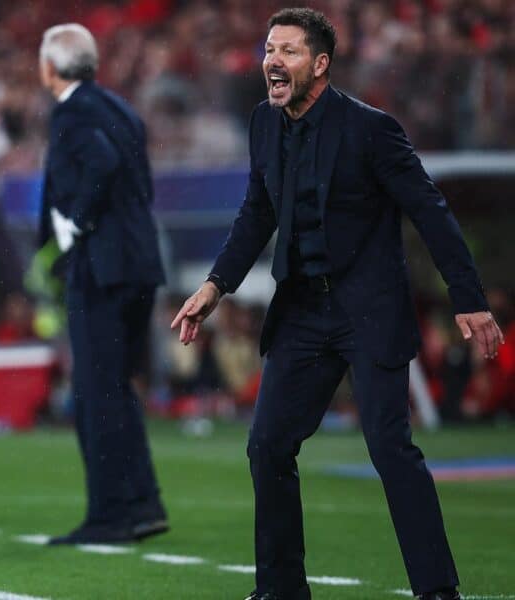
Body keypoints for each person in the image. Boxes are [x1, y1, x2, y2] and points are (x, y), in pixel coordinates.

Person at [171, 9, 504, 600]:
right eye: (270, 49)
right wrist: (215, 285)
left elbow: (430, 211)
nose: (273, 60)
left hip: (367, 309)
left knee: (390, 448)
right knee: (267, 445)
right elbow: (258, 213)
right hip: (300, 311)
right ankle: (280, 590)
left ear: (319, 65)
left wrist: (469, 299)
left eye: (290, 51)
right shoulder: (262, 124)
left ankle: (438, 591)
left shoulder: (370, 130)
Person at [37, 24, 168, 545]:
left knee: (95, 393)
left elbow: (102, 163)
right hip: (139, 263)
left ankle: (111, 515)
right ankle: (142, 504)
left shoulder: (71, 111)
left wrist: (77, 221)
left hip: (102, 267)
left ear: (51, 68)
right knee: (116, 389)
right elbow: (140, 179)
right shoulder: (121, 108)